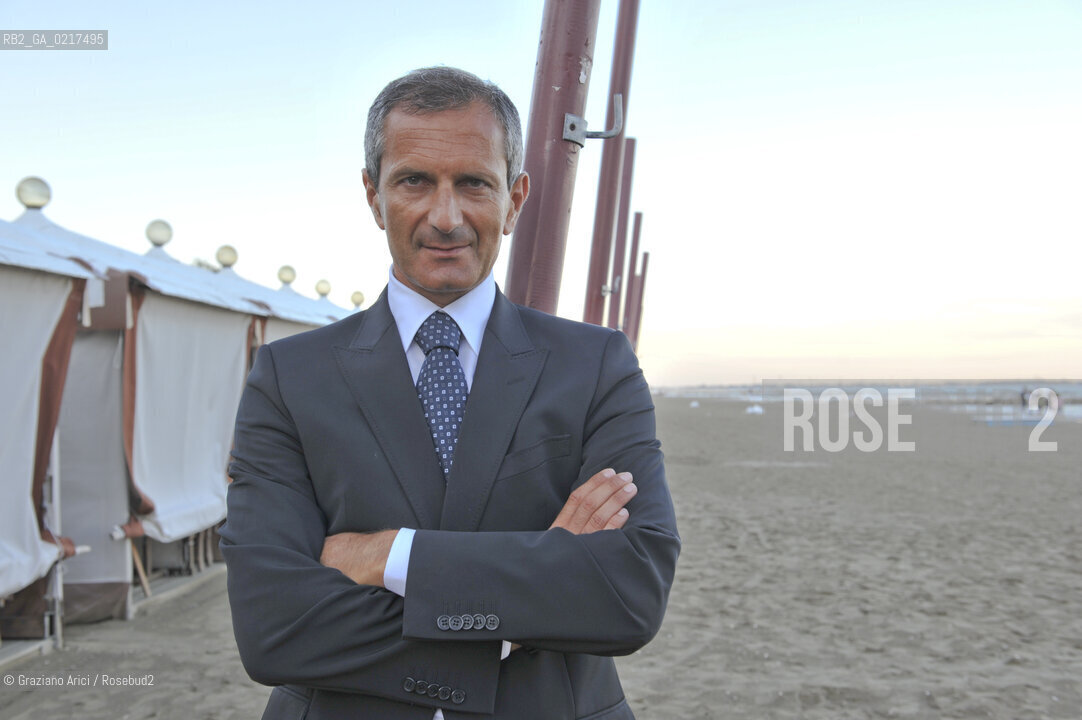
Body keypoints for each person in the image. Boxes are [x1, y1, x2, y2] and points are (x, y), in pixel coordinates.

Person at [220, 66, 680, 720]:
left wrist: (390, 555)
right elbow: (275, 625)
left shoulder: (596, 365)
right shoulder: (289, 377)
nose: (446, 216)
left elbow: (629, 592)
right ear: (373, 195)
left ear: (515, 199)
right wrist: (518, 615)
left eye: (473, 183)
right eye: (414, 181)